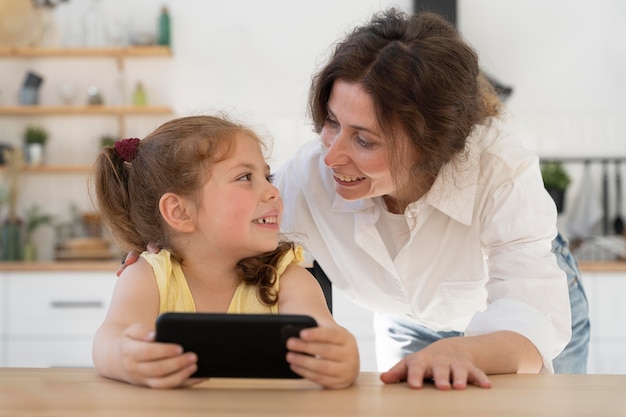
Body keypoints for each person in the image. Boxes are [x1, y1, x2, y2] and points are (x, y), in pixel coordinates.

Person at [119, 9, 589, 390]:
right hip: (407, 320)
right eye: (330, 123)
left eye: (364, 140)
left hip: (516, 325)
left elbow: (529, 319)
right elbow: (222, 229)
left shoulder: (497, 169)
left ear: (431, 145)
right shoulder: (308, 177)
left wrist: (466, 349)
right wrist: (162, 247)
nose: (334, 156)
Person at [92, 115, 359, 389]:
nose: (272, 191)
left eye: (266, 176)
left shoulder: (287, 278)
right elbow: (108, 340)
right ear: (180, 212)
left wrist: (343, 355)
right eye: (245, 177)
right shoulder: (147, 277)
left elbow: (321, 333)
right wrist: (123, 358)